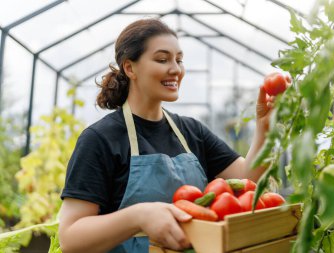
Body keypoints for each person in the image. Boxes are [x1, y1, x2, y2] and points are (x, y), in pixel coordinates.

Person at [58, 18, 274, 253]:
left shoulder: (192, 131)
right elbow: (70, 238)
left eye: (179, 60)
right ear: (130, 68)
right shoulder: (100, 139)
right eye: (162, 59)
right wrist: (139, 216)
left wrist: (264, 128)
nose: (176, 69)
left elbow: (248, 178)